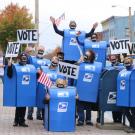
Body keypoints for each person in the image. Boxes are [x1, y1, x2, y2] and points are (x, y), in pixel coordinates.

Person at [27, 46, 49, 120]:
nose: (41, 51)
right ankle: (30, 114)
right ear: (36, 50)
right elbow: (26, 63)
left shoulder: (47, 61)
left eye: (42, 50)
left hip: (42, 81)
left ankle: (39, 114)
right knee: (32, 96)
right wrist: (27, 51)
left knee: (40, 96)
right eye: (39, 50)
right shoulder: (31, 58)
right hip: (33, 80)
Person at [7, 53, 29, 127]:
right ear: (19, 59)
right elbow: (10, 75)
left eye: (25, 58)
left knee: (24, 105)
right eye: (22, 58)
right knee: (19, 105)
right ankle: (16, 120)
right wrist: (9, 67)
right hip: (18, 89)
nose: (24, 59)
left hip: (26, 89)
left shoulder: (29, 67)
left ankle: (22, 121)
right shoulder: (15, 66)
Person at [76, 50, 96, 126]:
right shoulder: (81, 64)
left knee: (88, 105)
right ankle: (80, 120)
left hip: (89, 88)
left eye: (87, 55)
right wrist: (79, 61)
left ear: (91, 56)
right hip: (80, 87)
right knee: (80, 104)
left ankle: (88, 120)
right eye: (85, 54)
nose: (86, 56)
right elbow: (73, 69)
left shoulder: (95, 65)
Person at [123, 57, 135, 133]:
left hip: (133, 97)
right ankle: (132, 125)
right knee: (125, 111)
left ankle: (133, 127)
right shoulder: (124, 71)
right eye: (126, 64)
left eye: (128, 64)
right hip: (126, 96)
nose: (127, 65)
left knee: (134, 112)